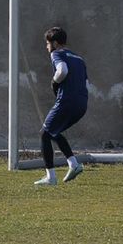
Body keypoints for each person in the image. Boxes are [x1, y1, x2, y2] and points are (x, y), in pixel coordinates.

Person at [35, 26, 88, 186]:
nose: (47, 47)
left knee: (45, 134)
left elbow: (62, 71)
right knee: (54, 132)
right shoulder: (79, 58)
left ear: (55, 43)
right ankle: (74, 164)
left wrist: (54, 82)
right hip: (82, 103)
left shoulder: (56, 54)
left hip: (67, 101)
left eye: (47, 43)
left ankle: (51, 178)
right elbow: (86, 83)